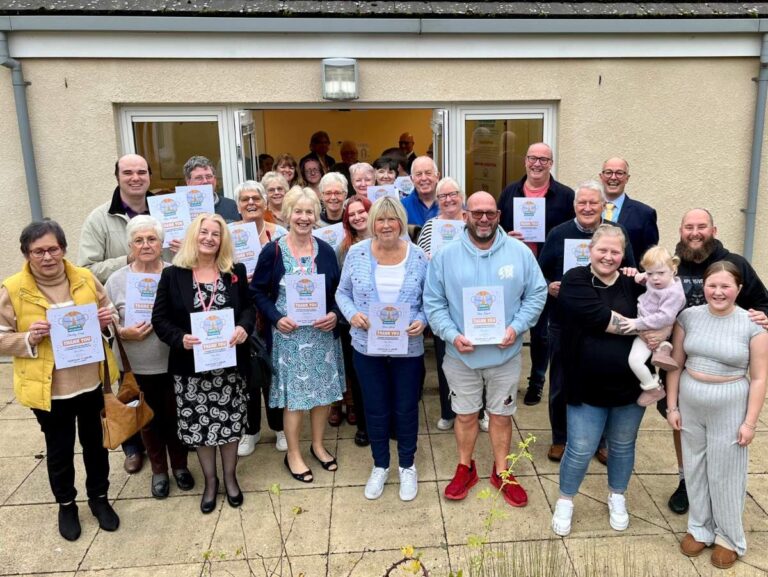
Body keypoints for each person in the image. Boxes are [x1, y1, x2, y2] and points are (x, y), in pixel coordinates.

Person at [424, 191, 547, 508]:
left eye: (489, 213)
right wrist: (451, 335)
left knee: (501, 416)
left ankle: (501, 471)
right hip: (461, 356)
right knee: (464, 416)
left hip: (504, 356)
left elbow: (537, 294)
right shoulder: (445, 256)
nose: (483, 218)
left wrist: (516, 327)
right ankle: (466, 466)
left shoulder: (519, 253)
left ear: (499, 216)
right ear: (465, 215)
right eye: (476, 212)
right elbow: (433, 303)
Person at [1, 220, 120, 541]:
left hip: (92, 382)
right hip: (49, 390)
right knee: (60, 449)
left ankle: (99, 498)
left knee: (96, 446)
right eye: (38, 251)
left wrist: (109, 320)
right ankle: (66, 504)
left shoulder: (84, 277)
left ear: (63, 249)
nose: (47, 256)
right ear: (27, 254)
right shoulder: (12, 289)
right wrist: (28, 337)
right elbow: (1, 337)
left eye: (53, 248)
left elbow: (110, 310)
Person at [655, 208, 768, 516]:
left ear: (713, 230)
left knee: (723, 431)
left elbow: (762, 302)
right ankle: (686, 480)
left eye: (701, 226)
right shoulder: (671, 265)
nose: (695, 232)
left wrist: (763, 315)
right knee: (680, 424)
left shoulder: (735, 265)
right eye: (688, 226)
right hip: (679, 361)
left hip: (721, 364)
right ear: (680, 230)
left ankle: (720, 486)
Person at [665, 261, 768, 568]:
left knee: (726, 472)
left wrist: (750, 423)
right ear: (703, 287)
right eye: (712, 285)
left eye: (726, 286)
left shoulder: (753, 325)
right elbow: (675, 363)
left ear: (738, 289)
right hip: (692, 400)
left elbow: (760, 378)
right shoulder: (688, 317)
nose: (718, 292)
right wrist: (673, 406)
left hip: (731, 403)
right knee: (695, 465)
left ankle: (728, 537)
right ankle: (700, 527)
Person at [152, 214, 254, 513]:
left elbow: (247, 308)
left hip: (229, 368)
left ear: (223, 240)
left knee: (230, 424)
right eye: (204, 232)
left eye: (216, 234)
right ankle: (211, 482)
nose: (209, 238)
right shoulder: (174, 275)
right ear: (193, 236)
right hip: (191, 370)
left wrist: (244, 327)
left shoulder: (234, 271)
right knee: (201, 428)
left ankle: (231, 478)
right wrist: (179, 338)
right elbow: (160, 319)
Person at [551, 225, 647, 537]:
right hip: (585, 384)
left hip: (630, 387)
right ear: (590, 250)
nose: (608, 256)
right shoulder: (575, 279)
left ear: (624, 254)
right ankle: (566, 500)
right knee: (579, 448)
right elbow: (598, 317)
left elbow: (665, 303)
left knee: (622, 446)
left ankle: (617, 496)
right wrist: (646, 327)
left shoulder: (634, 283)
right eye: (602, 250)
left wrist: (645, 279)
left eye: (615, 251)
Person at [250, 187, 344, 484]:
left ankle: (317, 445)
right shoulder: (273, 251)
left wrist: (335, 315)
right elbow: (257, 292)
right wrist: (277, 319)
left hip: (321, 337)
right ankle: (293, 452)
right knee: (295, 400)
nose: (304, 217)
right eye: (299, 211)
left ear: (316, 216)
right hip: (290, 339)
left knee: (322, 396)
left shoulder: (326, 251)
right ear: (288, 214)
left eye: (309, 212)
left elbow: (339, 292)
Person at [336, 196, 428, 501]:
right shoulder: (357, 253)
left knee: (405, 408)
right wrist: (352, 315)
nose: (386, 225)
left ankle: (406, 465)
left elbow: (431, 299)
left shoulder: (418, 256)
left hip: (408, 347)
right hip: (367, 347)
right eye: (380, 219)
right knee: (374, 408)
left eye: (392, 219)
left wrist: (422, 320)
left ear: (401, 222)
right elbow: (342, 293)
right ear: (371, 223)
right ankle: (380, 464)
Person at [537, 180, 635, 463]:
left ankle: (601, 441)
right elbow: (538, 273)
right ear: (574, 206)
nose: (588, 207)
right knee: (560, 382)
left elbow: (629, 270)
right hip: (563, 323)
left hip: (607, 324)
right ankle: (560, 437)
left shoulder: (617, 234)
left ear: (603, 205)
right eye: (583, 203)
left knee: (602, 379)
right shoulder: (558, 233)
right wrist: (548, 286)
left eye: (594, 203)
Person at [104, 215, 194, 499]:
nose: (145, 245)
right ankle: (159, 470)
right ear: (130, 245)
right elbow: (107, 323)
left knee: (177, 416)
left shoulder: (177, 273)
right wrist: (121, 331)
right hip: (135, 364)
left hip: (172, 359)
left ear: (162, 243)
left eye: (152, 239)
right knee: (146, 419)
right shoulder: (116, 280)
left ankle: (180, 466)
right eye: (139, 240)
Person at [78, 153, 153, 475]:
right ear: (118, 176)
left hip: (160, 311)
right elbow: (87, 268)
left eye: (141, 172)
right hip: (121, 315)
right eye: (128, 172)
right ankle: (132, 445)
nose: (135, 178)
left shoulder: (164, 210)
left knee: (163, 384)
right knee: (127, 382)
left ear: (149, 176)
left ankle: (165, 440)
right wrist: (128, 258)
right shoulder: (100, 218)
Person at [497, 142, 575, 407]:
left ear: (551, 163)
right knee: (509, 326)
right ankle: (504, 380)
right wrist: (505, 236)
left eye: (544, 159)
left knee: (541, 333)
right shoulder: (510, 193)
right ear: (525, 161)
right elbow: (493, 228)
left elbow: (572, 233)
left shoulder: (565, 196)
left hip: (545, 272)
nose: (537, 164)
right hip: (512, 271)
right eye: (533, 158)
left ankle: (537, 380)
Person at [231, 181, 287, 456]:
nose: (250, 203)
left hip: (272, 309)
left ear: (265, 204)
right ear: (238, 205)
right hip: (242, 312)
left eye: (255, 198)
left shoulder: (280, 234)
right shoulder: (227, 236)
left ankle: (279, 427)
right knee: (247, 372)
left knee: (273, 369)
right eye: (244, 199)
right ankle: (250, 430)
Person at [416, 177, 466, 432]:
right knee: (446, 357)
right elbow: (421, 262)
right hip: (443, 302)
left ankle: (478, 413)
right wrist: (428, 258)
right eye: (443, 196)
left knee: (477, 357)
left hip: (471, 301)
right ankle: (449, 411)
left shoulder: (472, 221)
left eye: (452, 194)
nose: (448, 199)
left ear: (461, 196)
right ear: (437, 200)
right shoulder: (430, 227)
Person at [619, 246, 686, 406]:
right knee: (635, 360)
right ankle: (661, 351)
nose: (655, 278)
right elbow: (643, 276)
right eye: (650, 273)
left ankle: (652, 386)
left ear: (673, 269)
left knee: (635, 361)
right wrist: (640, 277)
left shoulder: (673, 293)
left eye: (661, 273)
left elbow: (665, 317)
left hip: (652, 328)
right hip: (646, 326)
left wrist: (636, 323)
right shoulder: (654, 280)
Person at [335, 195, 373, 446]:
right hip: (356, 323)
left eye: (362, 212)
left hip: (386, 324)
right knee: (360, 378)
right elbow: (341, 287)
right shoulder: (344, 248)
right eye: (352, 215)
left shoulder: (393, 240)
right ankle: (363, 425)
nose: (358, 217)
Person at [599, 158, 660, 266]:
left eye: (619, 173)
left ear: (627, 178)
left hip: (628, 280)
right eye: (608, 172)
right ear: (601, 177)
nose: (613, 177)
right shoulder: (588, 211)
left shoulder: (645, 214)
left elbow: (650, 257)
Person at [183, 156, 240, 223]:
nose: (205, 181)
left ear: (215, 179)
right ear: (188, 182)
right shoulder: (181, 209)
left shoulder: (231, 205)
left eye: (209, 176)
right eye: (199, 178)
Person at [401, 156, 439, 227]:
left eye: (428, 173)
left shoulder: (451, 204)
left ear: (437, 177)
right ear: (411, 179)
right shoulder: (402, 207)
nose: (424, 178)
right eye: (419, 174)